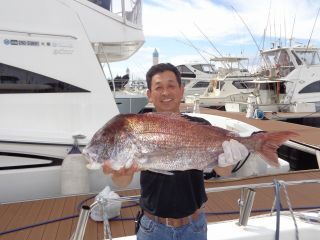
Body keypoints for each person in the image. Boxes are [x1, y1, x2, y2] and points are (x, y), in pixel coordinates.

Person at [103, 63, 248, 240]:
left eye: (171, 86)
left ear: (181, 90)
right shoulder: (139, 127)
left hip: (194, 227)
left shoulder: (201, 126)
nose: (165, 93)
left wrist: (229, 159)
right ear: (149, 94)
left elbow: (223, 171)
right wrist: (120, 171)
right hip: (153, 228)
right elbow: (122, 183)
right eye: (159, 87)